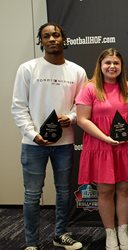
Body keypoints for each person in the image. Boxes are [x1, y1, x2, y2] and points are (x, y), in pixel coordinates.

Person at [11, 22, 87, 250]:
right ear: (40, 41)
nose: (52, 39)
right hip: (33, 144)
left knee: (64, 191)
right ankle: (32, 243)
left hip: (64, 144)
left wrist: (72, 118)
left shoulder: (77, 71)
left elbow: (81, 105)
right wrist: (33, 134)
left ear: (64, 39)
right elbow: (18, 106)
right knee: (33, 194)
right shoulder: (28, 68)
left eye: (56, 35)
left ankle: (60, 234)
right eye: (46, 36)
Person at [75, 48, 128, 250]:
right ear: (100, 65)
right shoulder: (89, 88)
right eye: (108, 63)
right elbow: (81, 119)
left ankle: (123, 231)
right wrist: (105, 137)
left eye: (116, 63)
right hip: (100, 145)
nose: (112, 66)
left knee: (125, 189)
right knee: (105, 191)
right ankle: (110, 233)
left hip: (125, 147)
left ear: (121, 67)